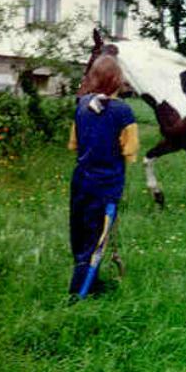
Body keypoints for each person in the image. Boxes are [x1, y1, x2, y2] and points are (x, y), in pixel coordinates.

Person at [67, 54, 138, 296]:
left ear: (93, 79)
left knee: (80, 233)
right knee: (97, 240)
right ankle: (79, 294)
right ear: (118, 81)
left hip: (80, 181)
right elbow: (130, 151)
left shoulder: (82, 105)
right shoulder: (124, 113)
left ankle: (89, 279)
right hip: (106, 186)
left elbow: (74, 143)